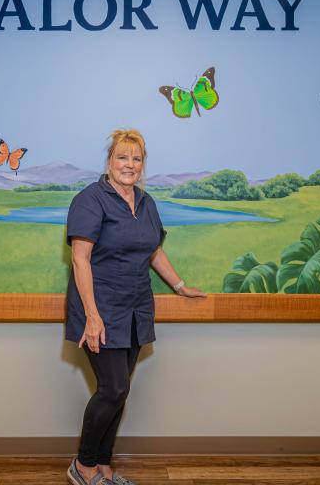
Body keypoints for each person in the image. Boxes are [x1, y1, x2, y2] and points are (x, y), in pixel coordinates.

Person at [64, 129, 205, 485]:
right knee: (113, 389)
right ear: (110, 162)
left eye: (136, 158)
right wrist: (93, 318)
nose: (129, 165)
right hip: (100, 308)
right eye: (122, 157)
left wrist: (180, 286)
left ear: (143, 166)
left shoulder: (145, 202)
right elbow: (80, 260)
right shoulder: (90, 199)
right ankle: (82, 466)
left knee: (120, 388)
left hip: (136, 307)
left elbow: (154, 251)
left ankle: (103, 466)